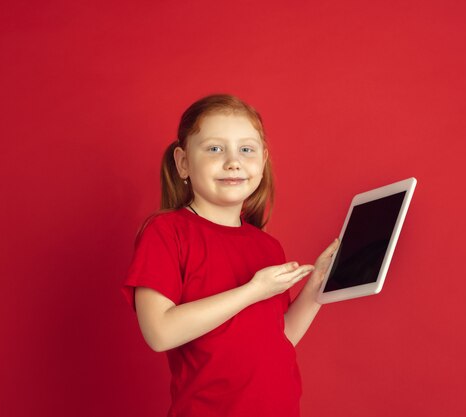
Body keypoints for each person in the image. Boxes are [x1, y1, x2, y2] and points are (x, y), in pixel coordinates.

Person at [123, 94, 339, 417]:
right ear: (183, 162)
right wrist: (252, 291)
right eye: (214, 148)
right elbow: (159, 332)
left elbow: (280, 337)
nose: (233, 162)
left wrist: (316, 288)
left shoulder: (267, 246)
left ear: (263, 161)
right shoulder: (166, 232)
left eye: (246, 150)